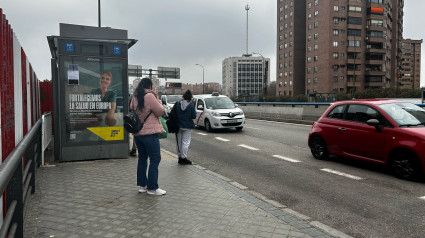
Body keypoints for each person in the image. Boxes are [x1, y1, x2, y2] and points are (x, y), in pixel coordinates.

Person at [130, 78, 166, 196]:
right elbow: (160, 112)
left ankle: (142, 186)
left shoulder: (135, 97)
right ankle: (152, 188)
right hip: (150, 134)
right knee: (155, 159)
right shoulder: (150, 96)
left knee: (142, 159)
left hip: (138, 134)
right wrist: (158, 100)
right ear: (149, 86)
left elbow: (132, 109)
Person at [175, 90, 196, 165]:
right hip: (187, 126)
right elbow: (193, 116)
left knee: (179, 142)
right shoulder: (190, 105)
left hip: (178, 126)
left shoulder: (178, 104)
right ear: (190, 97)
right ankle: (184, 158)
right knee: (185, 142)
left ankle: (179, 157)